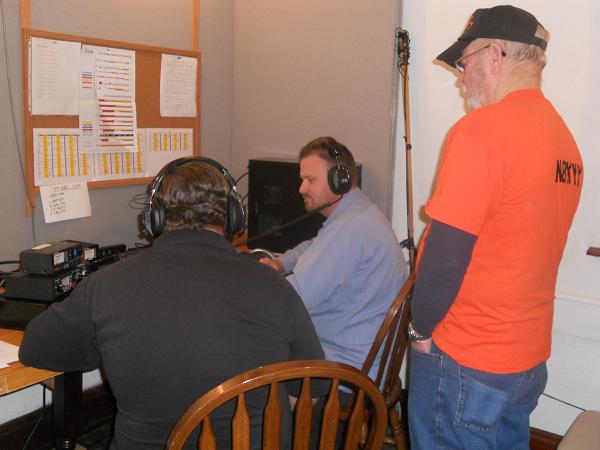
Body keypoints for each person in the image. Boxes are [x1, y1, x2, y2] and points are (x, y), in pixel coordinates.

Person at [19, 159, 325, 450]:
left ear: (154, 220)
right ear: (233, 217)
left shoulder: (108, 284)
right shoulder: (273, 285)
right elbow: (314, 390)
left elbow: (34, 348)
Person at [407, 6, 583, 450]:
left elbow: (446, 256)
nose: (461, 78)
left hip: (467, 358)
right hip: (526, 360)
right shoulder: (565, 144)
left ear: (494, 54)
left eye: (463, 62)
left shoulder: (481, 132)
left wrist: (419, 330)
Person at [260, 136, 408, 380]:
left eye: (310, 180)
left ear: (339, 181)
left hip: (345, 372)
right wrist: (281, 263)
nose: (301, 189)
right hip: (359, 357)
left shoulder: (349, 229)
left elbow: (292, 299)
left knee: (252, 349)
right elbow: (315, 244)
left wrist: (252, 286)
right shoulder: (359, 213)